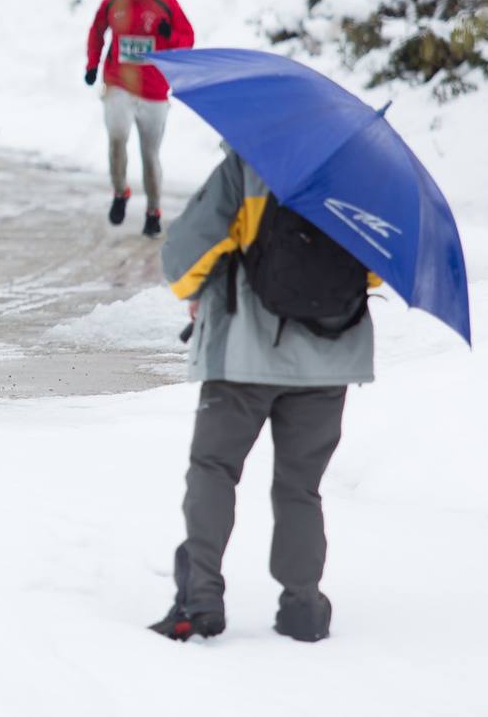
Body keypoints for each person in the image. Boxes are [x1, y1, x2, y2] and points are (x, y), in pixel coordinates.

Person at [152, 145, 376, 643]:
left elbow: (185, 252)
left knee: (214, 468)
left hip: (242, 354)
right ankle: (303, 609)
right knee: (301, 487)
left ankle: (200, 597)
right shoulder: (361, 176)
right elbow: (376, 267)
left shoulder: (247, 165)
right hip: (330, 357)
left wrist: (196, 292)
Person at [85, 0, 194, 237]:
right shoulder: (113, 2)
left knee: (150, 155)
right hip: (119, 82)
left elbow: (187, 39)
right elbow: (96, 32)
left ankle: (153, 210)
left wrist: (170, 38)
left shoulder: (167, 5)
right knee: (117, 137)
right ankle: (120, 192)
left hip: (154, 90)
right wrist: (92, 65)